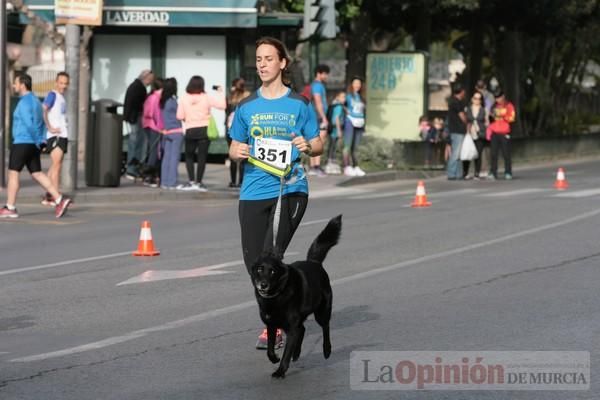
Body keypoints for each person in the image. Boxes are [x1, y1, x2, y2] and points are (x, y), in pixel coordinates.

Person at [228, 37, 323, 349]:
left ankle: (276, 327)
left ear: (282, 63)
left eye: (268, 58)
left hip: (289, 189)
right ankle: (276, 315)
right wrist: (238, 150)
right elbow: (232, 147)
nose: (262, 64)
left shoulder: (300, 104)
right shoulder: (246, 106)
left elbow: (318, 142)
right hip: (253, 191)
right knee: (255, 265)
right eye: (258, 59)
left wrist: (308, 146)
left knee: (271, 258)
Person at [0, 73, 71, 219]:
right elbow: (42, 123)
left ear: (22, 85)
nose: (14, 86)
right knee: (37, 173)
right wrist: (41, 141)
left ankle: (10, 207)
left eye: (16, 83)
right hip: (33, 145)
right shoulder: (36, 101)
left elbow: (29, 124)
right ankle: (59, 199)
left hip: (22, 142)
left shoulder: (24, 102)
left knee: (13, 173)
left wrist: (39, 140)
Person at [176, 76, 226, 192]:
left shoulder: (184, 98)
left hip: (190, 130)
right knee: (202, 157)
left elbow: (179, 116)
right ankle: (199, 182)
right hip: (204, 129)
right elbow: (223, 106)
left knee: (189, 156)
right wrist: (220, 92)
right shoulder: (206, 97)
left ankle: (191, 181)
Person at [40, 72, 69, 205]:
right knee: (56, 167)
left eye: (66, 83)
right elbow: (44, 109)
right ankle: (56, 197)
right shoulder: (52, 95)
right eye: (61, 83)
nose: (64, 86)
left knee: (56, 165)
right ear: (56, 82)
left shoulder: (62, 97)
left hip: (62, 134)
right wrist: (50, 127)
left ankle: (49, 196)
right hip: (55, 135)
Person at [123, 69, 154, 179]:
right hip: (136, 118)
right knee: (136, 142)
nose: (151, 82)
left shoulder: (135, 86)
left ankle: (133, 167)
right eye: (150, 79)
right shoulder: (139, 88)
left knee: (136, 142)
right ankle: (132, 168)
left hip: (133, 117)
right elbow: (136, 104)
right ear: (145, 78)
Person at [159, 78, 184, 190]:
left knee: (166, 158)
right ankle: (172, 182)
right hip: (176, 131)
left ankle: (164, 181)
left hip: (167, 132)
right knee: (174, 158)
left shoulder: (163, 101)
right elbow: (180, 116)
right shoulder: (173, 101)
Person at [226, 77, 251, 187]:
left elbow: (226, 110)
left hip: (230, 127)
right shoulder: (248, 96)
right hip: (243, 128)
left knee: (233, 154)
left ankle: (232, 181)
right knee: (242, 155)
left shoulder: (231, 96)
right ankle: (241, 181)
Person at [486, 90, 516, 180]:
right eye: (496, 98)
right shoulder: (493, 106)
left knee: (506, 154)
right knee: (493, 154)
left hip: (504, 132)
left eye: (499, 97)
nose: (497, 99)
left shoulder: (509, 106)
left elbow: (512, 118)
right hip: (495, 132)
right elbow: (490, 118)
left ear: (503, 96)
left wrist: (502, 115)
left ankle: (508, 172)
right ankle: (493, 172)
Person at [308, 64, 330, 177]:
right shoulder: (317, 86)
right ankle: (316, 166)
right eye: (325, 73)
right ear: (319, 73)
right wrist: (324, 118)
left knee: (314, 141)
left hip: (315, 117)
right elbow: (318, 102)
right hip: (318, 117)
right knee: (319, 142)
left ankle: (313, 167)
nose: (327, 76)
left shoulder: (315, 85)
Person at [141, 78, 164, 187]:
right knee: (154, 152)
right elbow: (155, 114)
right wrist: (161, 127)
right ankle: (149, 176)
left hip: (148, 125)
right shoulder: (156, 98)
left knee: (152, 150)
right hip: (153, 126)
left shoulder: (151, 96)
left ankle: (150, 175)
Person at [343, 77, 367, 177]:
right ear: (351, 85)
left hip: (360, 122)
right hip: (350, 121)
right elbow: (340, 103)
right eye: (355, 83)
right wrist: (346, 110)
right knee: (347, 146)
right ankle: (346, 167)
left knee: (355, 147)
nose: (357, 85)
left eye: (359, 83)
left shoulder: (362, 98)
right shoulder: (348, 96)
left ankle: (356, 166)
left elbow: (363, 111)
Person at [462, 90, 489, 180]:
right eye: (475, 98)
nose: (477, 100)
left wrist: (485, 130)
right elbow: (465, 120)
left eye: (479, 99)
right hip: (469, 133)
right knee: (468, 152)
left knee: (478, 153)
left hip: (480, 133)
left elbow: (486, 122)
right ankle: (465, 172)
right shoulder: (467, 109)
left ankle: (477, 173)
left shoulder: (484, 110)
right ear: (472, 99)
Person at [446, 84, 468, 180]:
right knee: (456, 153)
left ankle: (458, 174)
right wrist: (467, 123)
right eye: (464, 91)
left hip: (456, 130)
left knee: (459, 153)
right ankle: (451, 173)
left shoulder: (453, 101)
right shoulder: (456, 102)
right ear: (461, 92)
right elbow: (462, 116)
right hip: (457, 130)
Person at [324, 91, 345, 175]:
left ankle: (330, 162)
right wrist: (339, 130)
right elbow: (336, 118)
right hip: (335, 129)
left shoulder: (335, 105)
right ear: (338, 97)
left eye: (344, 97)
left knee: (332, 145)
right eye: (342, 97)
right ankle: (329, 163)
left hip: (333, 129)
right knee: (332, 146)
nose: (344, 99)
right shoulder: (339, 106)